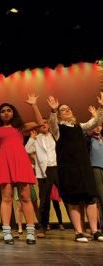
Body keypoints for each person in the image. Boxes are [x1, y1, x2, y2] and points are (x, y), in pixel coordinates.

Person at [38, 94, 103, 242]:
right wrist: (53, 111)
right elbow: (52, 124)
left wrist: (101, 107)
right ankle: (78, 232)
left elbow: (96, 122)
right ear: (59, 115)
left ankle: (95, 230)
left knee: (90, 198)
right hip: (68, 168)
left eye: (67, 109)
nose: (65, 111)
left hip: (84, 166)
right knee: (73, 199)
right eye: (62, 110)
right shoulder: (58, 129)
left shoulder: (80, 126)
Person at [0, 95, 40, 245]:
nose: (6, 113)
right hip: (5, 163)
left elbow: (39, 122)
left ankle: (30, 232)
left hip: (21, 162)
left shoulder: (20, 128)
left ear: (13, 113)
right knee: (6, 198)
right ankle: (7, 233)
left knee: (25, 197)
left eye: (9, 110)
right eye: (3, 111)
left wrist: (34, 105)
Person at [24, 121, 59, 238]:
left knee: (68, 196)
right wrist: (31, 138)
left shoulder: (55, 135)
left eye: (46, 123)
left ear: (49, 125)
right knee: (44, 200)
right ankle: (43, 227)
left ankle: (78, 228)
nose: (44, 125)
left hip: (57, 168)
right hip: (44, 171)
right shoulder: (36, 138)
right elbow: (27, 150)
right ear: (38, 127)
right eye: (42, 123)